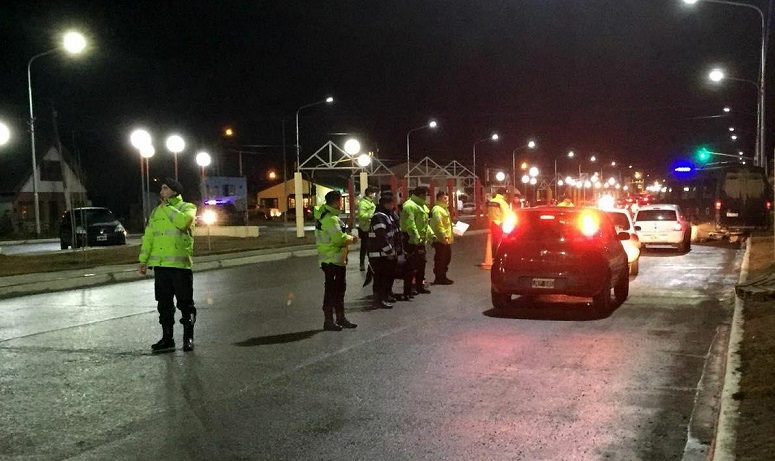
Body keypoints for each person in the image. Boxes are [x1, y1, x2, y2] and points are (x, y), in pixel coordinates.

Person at [138, 178, 198, 353]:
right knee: (163, 304)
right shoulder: (156, 212)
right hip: (161, 266)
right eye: (161, 188)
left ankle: (188, 338)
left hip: (180, 266)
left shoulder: (187, 207)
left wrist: (167, 207)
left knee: (185, 304)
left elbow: (182, 222)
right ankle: (167, 338)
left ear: (174, 191)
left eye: (165, 188)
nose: (161, 191)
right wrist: (143, 260)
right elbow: (148, 237)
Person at [314, 190, 358, 331]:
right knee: (332, 291)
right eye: (340, 201)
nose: (341, 204)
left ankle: (340, 318)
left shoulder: (330, 216)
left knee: (339, 291)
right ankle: (329, 321)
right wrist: (352, 239)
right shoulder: (330, 218)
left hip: (335, 261)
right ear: (336, 201)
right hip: (331, 261)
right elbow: (339, 240)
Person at [400, 186, 435, 297]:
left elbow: (425, 224)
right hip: (411, 241)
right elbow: (410, 225)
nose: (426, 197)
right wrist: (417, 238)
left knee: (421, 265)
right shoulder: (409, 206)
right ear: (421, 195)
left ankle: (419, 286)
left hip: (420, 241)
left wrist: (431, 235)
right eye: (426, 195)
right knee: (411, 267)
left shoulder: (421, 205)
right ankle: (408, 290)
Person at [367, 191, 400, 309]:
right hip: (379, 255)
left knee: (384, 277)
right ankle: (378, 300)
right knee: (380, 278)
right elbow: (382, 237)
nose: (393, 206)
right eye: (392, 204)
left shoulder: (385, 215)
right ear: (386, 204)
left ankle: (383, 298)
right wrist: (389, 252)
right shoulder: (379, 217)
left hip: (382, 254)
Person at [430, 190, 454, 285]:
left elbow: (446, 223)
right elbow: (439, 225)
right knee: (441, 259)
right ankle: (439, 278)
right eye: (445, 198)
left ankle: (443, 276)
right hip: (441, 240)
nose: (447, 200)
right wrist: (444, 237)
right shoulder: (437, 210)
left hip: (445, 239)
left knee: (446, 258)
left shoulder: (443, 209)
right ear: (439, 198)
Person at [356, 187, 377, 271]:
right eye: (374, 193)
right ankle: (362, 263)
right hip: (365, 228)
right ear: (370, 193)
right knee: (364, 247)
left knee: (371, 247)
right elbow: (362, 215)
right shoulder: (363, 203)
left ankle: (370, 264)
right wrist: (372, 216)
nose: (374, 195)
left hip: (370, 228)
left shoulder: (370, 202)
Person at [487, 188, 510, 256]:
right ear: (503, 194)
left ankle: (493, 255)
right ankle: (499, 255)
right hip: (500, 223)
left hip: (492, 223)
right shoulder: (502, 202)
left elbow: (489, 213)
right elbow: (507, 213)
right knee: (501, 240)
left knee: (495, 240)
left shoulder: (491, 201)